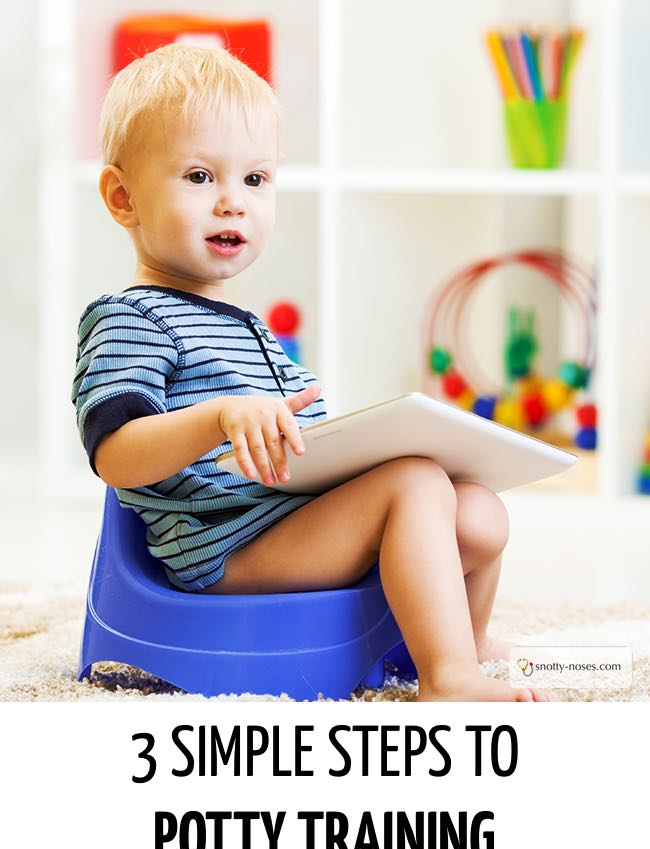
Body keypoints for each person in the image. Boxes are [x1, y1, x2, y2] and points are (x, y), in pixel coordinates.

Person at [72, 44, 549, 702]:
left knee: (479, 512)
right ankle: (449, 675)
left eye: (256, 180)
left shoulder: (248, 326)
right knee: (412, 484)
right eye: (200, 177)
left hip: (285, 516)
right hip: (227, 550)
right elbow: (116, 457)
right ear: (123, 198)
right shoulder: (130, 318)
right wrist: (217, 417)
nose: (233, 203)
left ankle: (464, 637)